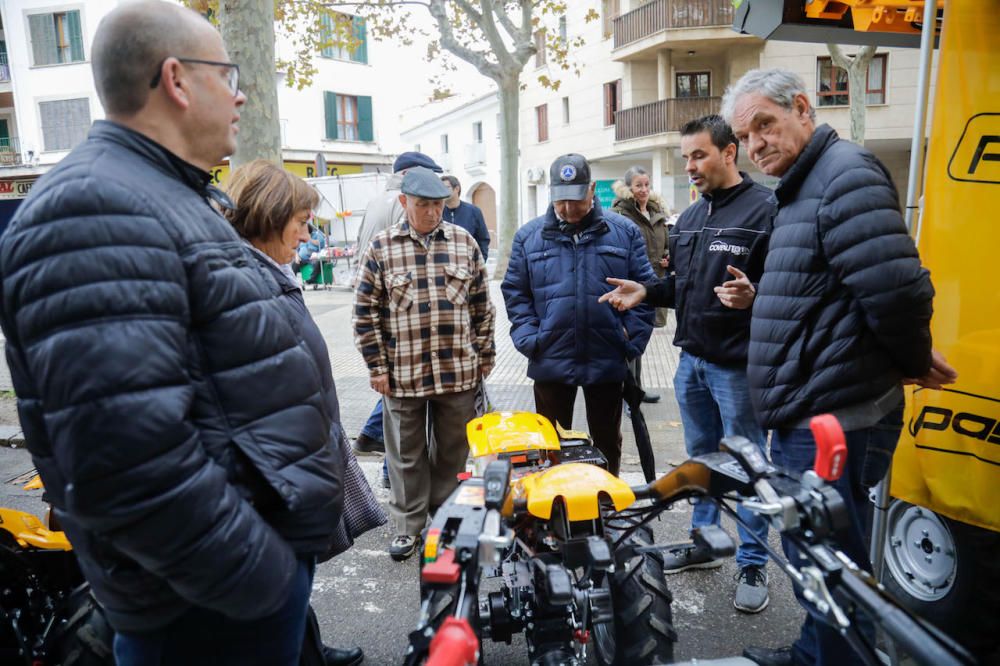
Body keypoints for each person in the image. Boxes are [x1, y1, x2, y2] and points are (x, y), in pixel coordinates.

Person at [0, 3, 344, 665]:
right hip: (205, 605)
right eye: (229, 74)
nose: (241, 93)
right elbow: (122, 456)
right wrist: (258, 576)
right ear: (177, 81)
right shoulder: (96, 205)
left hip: (220, 593)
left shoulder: (160, 193)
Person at [719, 68, 956, 666]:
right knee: (819, 554)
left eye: (765, 126)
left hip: (835, 417)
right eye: (746, 137)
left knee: (830, 560)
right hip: (815, 407)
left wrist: (909, 359)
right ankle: (815, 652)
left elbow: (897, 289)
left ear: (803, 108)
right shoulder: (805, 185)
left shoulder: (843, 175)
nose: (756, 146)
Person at [600, 115, 775, 614]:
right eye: (685, 158)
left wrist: (756, 295)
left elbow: (792, 287)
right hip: (691, 361)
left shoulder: (767, 209)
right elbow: (683, 288)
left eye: (698, 155)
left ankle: (752, 559)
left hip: (739, 368)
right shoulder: (692, 218)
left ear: (729, 152)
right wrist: (646, 291)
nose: (690, 166)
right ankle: (705, 543)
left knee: (746, 464)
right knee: (700, 461)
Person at [225, 160, 388, 666]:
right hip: (278, 476)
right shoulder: (244, 281)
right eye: (301, 220)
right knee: (279, 592)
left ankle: (309, 648)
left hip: (294, 464)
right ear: (271, 216)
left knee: (290, 592)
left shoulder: (265, 272)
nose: (308, 232)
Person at [353, 166, 495, 561]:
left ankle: (445, 518)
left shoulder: (464, 242)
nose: (432, 213)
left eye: (437, 205)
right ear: (404, 202)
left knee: (453, 452)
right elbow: (365, 312)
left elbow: (483, 305)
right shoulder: (381, 247)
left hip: (458, 372)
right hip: (402, 374)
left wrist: (486, 354)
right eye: (422, 205)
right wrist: (376, 366)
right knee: (405, 454)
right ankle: (408, 527)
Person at [501, 154, 655, 476]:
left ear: (592, 191)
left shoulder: (624, 232)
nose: (568, 210)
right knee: (550, 446)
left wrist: (629, 340)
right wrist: (532, 339)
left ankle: (606, 507)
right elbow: (516, 293)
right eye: (560, 202)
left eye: (575, 201)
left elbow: (645, 290)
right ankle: (557, 513)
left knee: (607, 443)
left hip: (606, 357)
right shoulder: (528, 237)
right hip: (550, 358)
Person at [353, 152, 444, 494]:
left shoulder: (376, 201)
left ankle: (374, 443)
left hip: (383, 316)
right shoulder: (402, 207)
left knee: (396, 407)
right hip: (403, 323)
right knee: (403, 410)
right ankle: (396, 474)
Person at [611, 166, 669, 404]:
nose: (644, 190)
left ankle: (636, 388)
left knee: (640, 337)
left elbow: (664, 242)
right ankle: (627, 393)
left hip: (653, 284)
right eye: (638, 185)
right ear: (628, 189)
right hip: (631, 285)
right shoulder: (621, 216)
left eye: (647, 184)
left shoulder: (656, 212)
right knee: (629, 337)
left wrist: (668, 256)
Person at [440, 175, 491, 261]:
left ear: (456, 189)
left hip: (467, 266)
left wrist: (480, 262)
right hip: (444, 265)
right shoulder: (437, 212)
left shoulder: (474, 212)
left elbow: (483, 239)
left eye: (446, 187)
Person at [294, 223, 328, 287]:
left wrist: (309, 238)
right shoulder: (300, 237)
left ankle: (311, 280)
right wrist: (297, 256)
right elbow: (296, 248)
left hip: (314, 257)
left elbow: (319, 243)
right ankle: (292, 281)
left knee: (318, 262)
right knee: (294, 263)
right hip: (303, 258)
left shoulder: (317, 235)